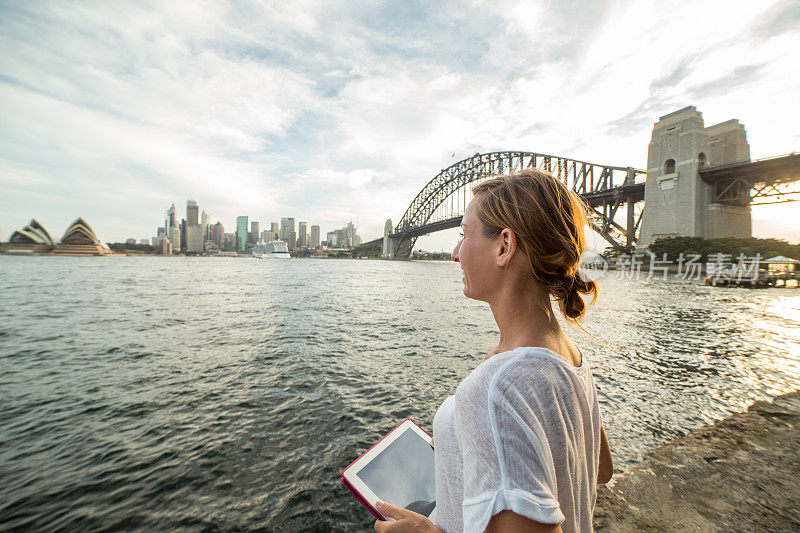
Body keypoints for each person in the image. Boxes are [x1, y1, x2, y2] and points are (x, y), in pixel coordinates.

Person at [374, 169, 613, 533]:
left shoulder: (497, 389)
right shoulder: (568, 357)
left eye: (463, 236)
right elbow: (599, 469)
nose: (454, 254)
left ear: (504, 246)